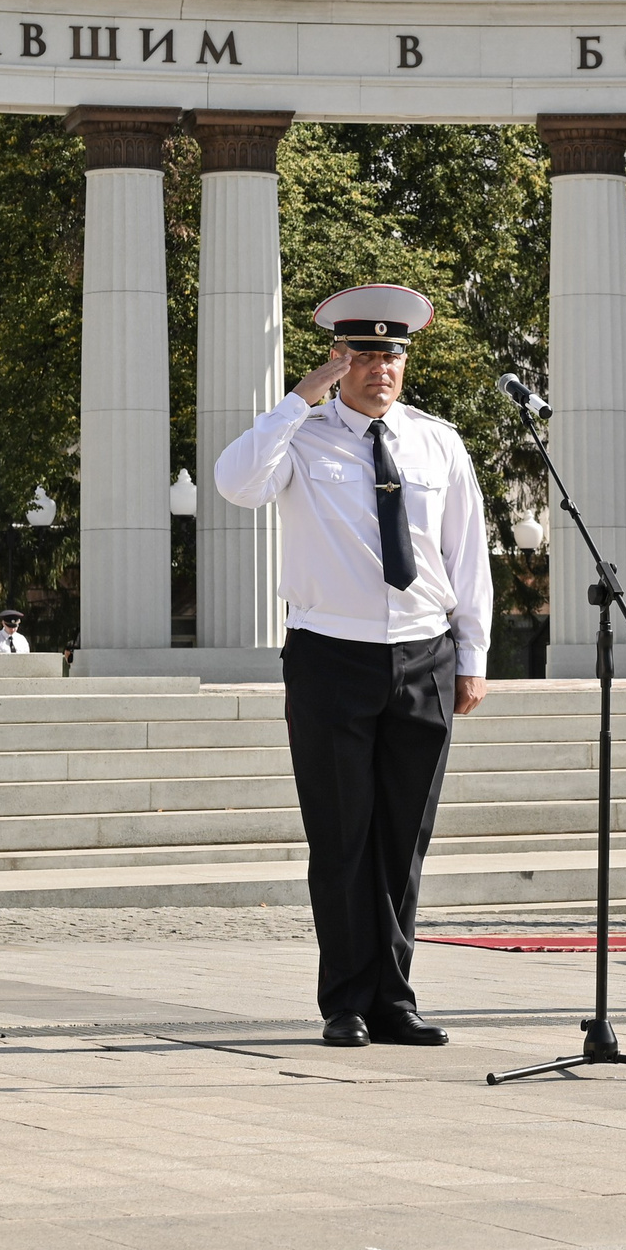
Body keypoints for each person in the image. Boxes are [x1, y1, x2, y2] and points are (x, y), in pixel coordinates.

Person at [213, 283, 492, 1046]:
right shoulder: (298, 438)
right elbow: (234, 483)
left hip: (423, 655)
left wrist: (472, 654)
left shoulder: (438, 442)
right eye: (364, 354)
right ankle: (344, 1000)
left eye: (392, 355)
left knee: (404, 838)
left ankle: (394, 997)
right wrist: (297, 400)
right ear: (339, 358)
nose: (380, 368)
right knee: (341, 836)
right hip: (330, 656)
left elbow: (467, 557)